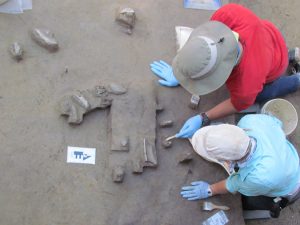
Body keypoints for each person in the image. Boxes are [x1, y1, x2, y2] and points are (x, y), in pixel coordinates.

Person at [150, 3, 300, 138]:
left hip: (275, 65)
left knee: (262, 94)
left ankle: (296, 80)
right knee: (266, 60)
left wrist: (204, 117)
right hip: (269, 35)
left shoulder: (247, 83)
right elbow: (201, 50)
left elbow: (237, 104)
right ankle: (291, 54)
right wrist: (182, 72)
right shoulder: (227, 13)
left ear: (223, 73)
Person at [180, 114, 300, 218]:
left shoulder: (257, 177)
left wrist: (210, 190)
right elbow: (277, 123)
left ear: (226, 160)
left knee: (249, 201)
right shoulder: (248, 121)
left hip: (290, 185)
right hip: (289, 158)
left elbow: (233, 184)